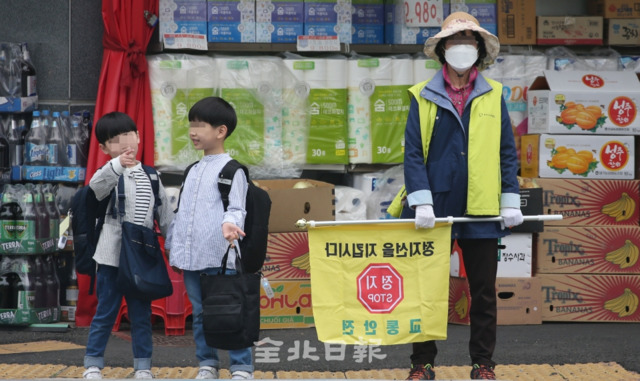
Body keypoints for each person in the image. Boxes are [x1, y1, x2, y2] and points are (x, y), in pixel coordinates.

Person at [400, 12, 524, 380]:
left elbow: (506, 152)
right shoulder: (421, 96)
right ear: (442, 50)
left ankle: (483, 364)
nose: (462, 47)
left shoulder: (494, 94)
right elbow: (412, 153)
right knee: (428, 291)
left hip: (483, 207)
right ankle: (421, 364)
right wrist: (421, 199)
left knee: (484, 292)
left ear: (479, 49)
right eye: (455, 41)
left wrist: (510, 198)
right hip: (434, 208)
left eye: (469, 41)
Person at [165, 96, 254, 380]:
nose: (193, 131)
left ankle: (241, 367)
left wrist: (230, 226)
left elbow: (237, 207)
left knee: (229, 310)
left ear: (221, 131)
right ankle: (208, 364)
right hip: (192, 257)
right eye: (191, 124)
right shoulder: (192, 170)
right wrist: (174, 248)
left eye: (200, 125)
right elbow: (182, 213)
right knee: (201, 314)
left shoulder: (232, 170)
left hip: (220, 253)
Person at [82, 112, 174, 379]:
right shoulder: (106, 173)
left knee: (141, 314)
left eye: (128, 136)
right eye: (114, 140)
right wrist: (117, 165)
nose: (123, 144)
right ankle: (93, 364)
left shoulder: (152, 176)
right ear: (102, 148)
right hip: (110, 255)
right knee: (106, 311)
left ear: (139, 137)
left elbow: (166, 216)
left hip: (141, 257)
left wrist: (173, 246)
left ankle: (143, 367)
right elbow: (96, 189)